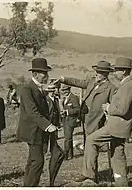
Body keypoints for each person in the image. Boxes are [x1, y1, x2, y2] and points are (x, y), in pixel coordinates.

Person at [77, 57, 132, 187]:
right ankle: (121, 182)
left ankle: (89, 174)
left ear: (124, 71)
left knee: (91, 140)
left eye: (116, 70)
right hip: (121, 125)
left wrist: (108, 108)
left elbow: (122, 109)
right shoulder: (127, 84)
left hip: (117, 126)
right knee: (117, 152)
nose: (115, 72)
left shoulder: (127, 85)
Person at [16, 58, 58, 187]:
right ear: (35, 74)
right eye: (44, 73)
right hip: (32, 131)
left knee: (33, 160)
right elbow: (32, 112)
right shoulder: (27, 89)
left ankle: (28, 185)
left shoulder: (39, 89)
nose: (46, 76)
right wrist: (48, 126)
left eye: (46, 73)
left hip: (38, 131)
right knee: (37, 162)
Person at [57, 60, 116, 137]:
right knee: (86, 140)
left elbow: (113, 107)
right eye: (96, 71)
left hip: (97, 121)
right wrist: (63, 79)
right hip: (85, 118)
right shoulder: (92, 82)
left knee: (94, 142)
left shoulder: (111, 88)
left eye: (99, 72)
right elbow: (77, 82)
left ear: (106, 74)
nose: (96, 74)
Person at [60, 84, 80, 160]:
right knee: (68, 138)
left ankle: (66, 155)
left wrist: (67, 112)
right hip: (65, 120)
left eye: (65, 90)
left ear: (69, 89)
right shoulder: (64, 98)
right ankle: (70, 155)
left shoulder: (74, 98)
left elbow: (77, 109)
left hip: (71, 120)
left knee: (67, 138)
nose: (64, 92)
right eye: (63, 90)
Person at [43, 85, 61, 155]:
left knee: (54, 138)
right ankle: (44, 152)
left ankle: (53, 151)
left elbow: (58, 110)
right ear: (48, 92)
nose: (52, 93)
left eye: (53, 91)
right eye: (50, 92)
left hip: (55, 121)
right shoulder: (45, 99)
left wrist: (58, 122)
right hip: (48, 122)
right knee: (46, 138)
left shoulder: (56, 99)